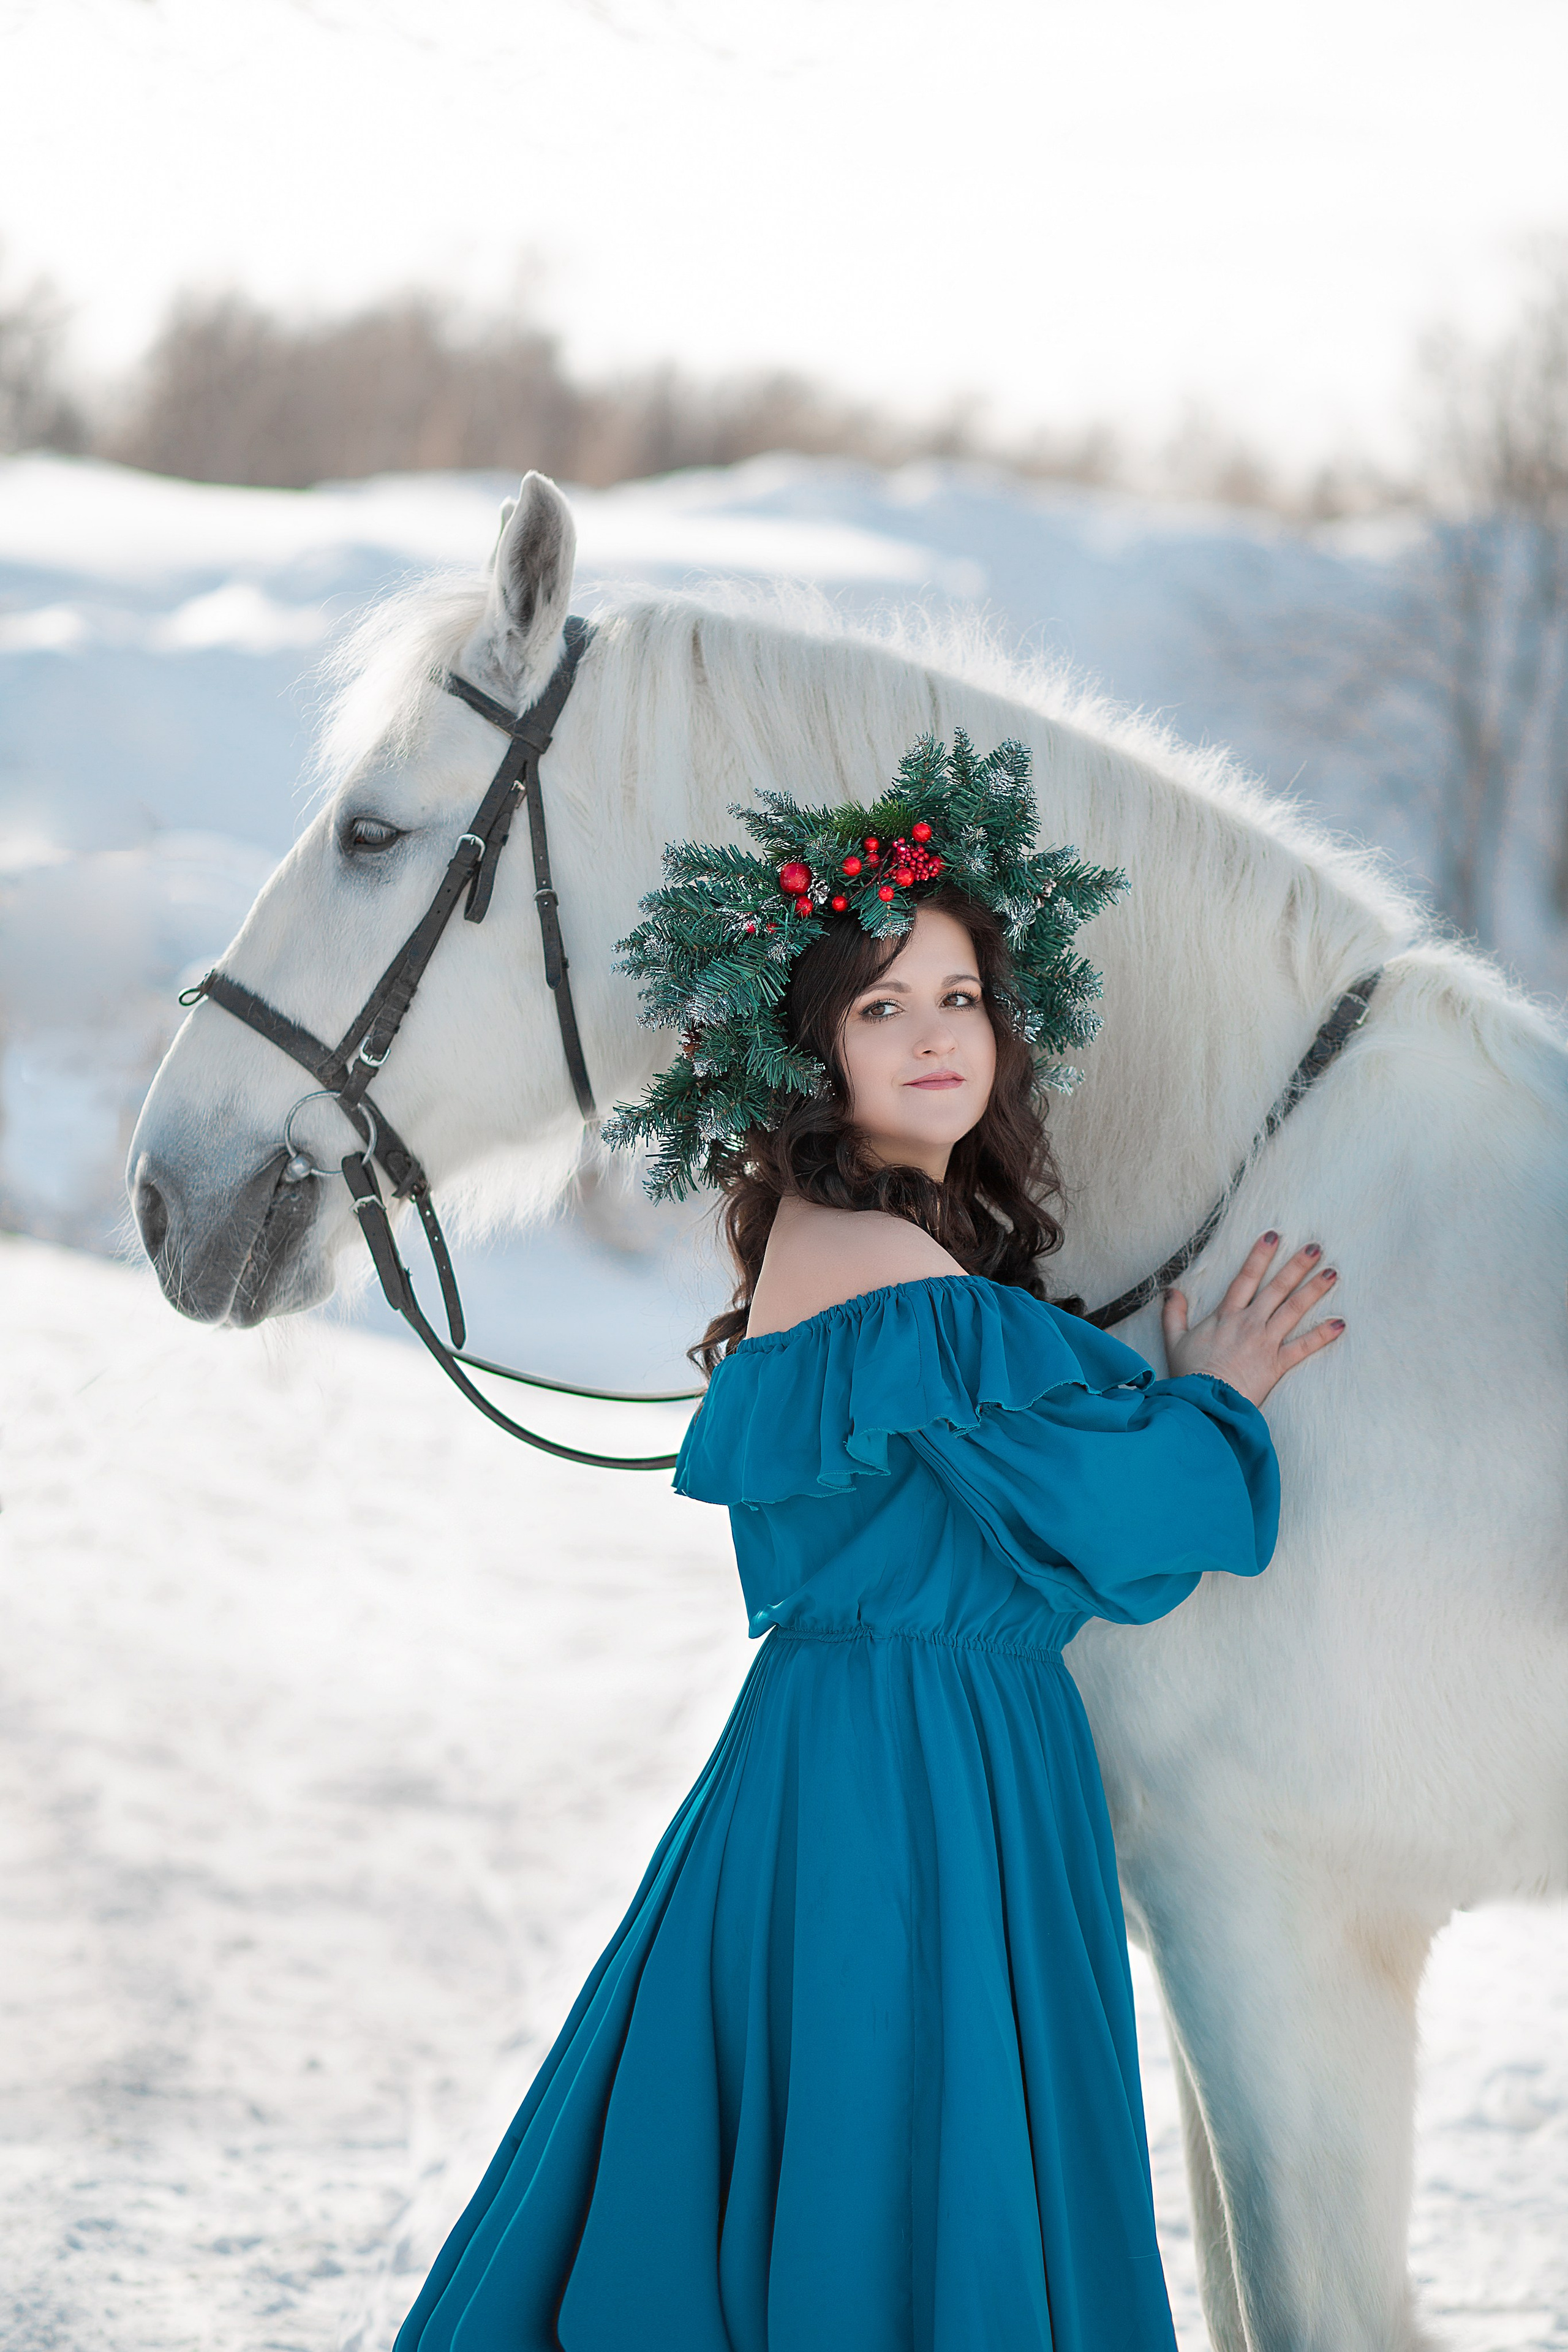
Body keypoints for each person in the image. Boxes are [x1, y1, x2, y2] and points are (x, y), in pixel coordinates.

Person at [394, 734, 1343, 2352]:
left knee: (929, 2159)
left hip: (952, 1754)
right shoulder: (870, 1260)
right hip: (891, 1773)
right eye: (881, 1004)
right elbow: (1109, 1511)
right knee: (892, 2160)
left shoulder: (924, 1252)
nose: (930, 1035)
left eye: (959, 999)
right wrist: (1220, 1402)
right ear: (818, 1045)